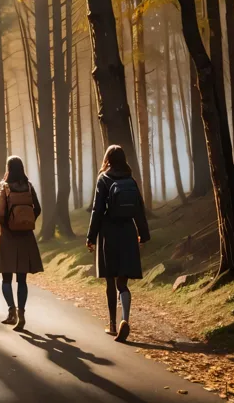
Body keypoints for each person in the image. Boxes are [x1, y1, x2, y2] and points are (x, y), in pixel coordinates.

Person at [86, 144, 150, 343]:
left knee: (110, 279)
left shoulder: (103, 179)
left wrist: (90, 236)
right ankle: (125, 320)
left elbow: (97, 210)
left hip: (109, 232)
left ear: (108, 159)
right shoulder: (130, 180)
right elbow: (139, 208)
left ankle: (113, 325)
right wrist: (143, 233)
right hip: (128, 231)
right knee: (122, 282)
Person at [0, 155, 43, 332]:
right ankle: (22, 312)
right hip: (25, 236)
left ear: (9, 169)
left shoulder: (5, 187)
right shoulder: (29, 186)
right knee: (22, 279)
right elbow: (38, 209)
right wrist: (25, 221)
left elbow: (0, 214)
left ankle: (11, 312)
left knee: (6, 278)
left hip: (7, 236)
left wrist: (9, 221)